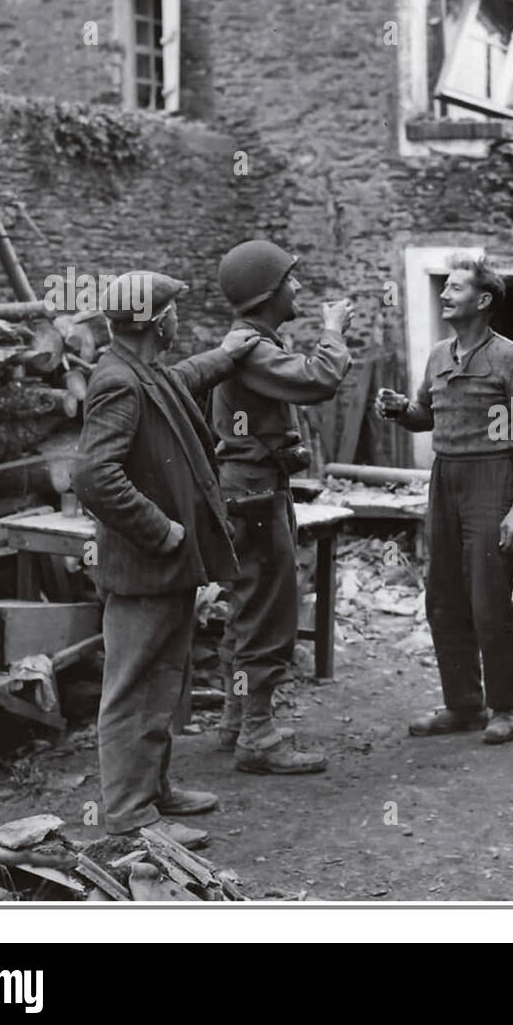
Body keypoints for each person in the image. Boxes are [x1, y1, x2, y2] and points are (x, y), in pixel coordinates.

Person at [73, 270, 260, 850]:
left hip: (165, 566)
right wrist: (163, 530)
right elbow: (94, 475)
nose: (180, 319)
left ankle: (152, 790)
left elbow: (179, 381)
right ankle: (130, 813)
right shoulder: (118, 383)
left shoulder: (143, 370)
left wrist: (224, 355)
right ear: (157, 322)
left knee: (163, 681)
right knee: (134, 687)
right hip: (145, 566)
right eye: (174, 311)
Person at [374, 254, 513, 745]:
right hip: (444, 479)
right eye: (444, 286)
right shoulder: (437, 356)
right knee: (444, 600)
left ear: (483, 300)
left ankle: (506, 706)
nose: (445, 295)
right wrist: (400, 410)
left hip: (492, 478)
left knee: (489, 600)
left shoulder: (511, 360)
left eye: (455, 288)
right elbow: (426, 415)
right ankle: (463, 705)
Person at [211, 239, 353, 774]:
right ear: (268, 293)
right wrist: (334, 331)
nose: (299, 287)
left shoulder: (251, 343)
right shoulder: (251, 347)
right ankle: (258, 735)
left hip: (251, 488)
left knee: (247, 607)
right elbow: (319, 381)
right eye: (291, 279)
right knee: (269, 613)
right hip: (254, 495)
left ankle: (234, 720)